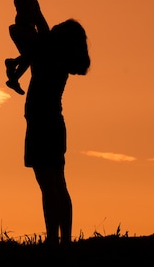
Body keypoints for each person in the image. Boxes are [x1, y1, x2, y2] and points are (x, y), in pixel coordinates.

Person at [24, 19, 91, 247]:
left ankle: (53, 238)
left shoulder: (49, 53)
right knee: (58, 183)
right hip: (53, 123)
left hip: (42, 123)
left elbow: (40, 24)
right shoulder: (55, 56)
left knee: (48, 185)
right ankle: (65, 239)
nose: (53, 28)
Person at [5, 0, 50, 95]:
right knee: (35, 52)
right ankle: (12, 65)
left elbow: (41, 21)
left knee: (31, 56)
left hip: (28, 31)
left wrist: (47, 34)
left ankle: (14, 73)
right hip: (22, 30)